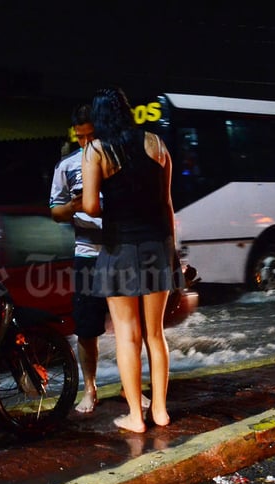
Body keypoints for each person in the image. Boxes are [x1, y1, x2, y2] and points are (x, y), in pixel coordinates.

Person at [81, 87, 179, 433]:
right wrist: (172, 251)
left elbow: (91, 206)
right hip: (157, 244)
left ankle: (136, 417)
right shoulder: (156, 143)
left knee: (126, 334)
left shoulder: (96, 149)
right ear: (127, 111)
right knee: (156, 334)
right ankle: (161, 412)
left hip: (119, 246)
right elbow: (167, 203)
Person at [49, 105, 151, 414]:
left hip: (122, 253)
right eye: (80, 137)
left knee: (131, 328)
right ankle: (90, 389)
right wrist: (72, 207)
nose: (85, 142)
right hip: (88, 256)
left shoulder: (121, 163)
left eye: (91, 135)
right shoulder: (66, 166)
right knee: (87, 328)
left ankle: (129, 387)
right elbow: (55, 211)